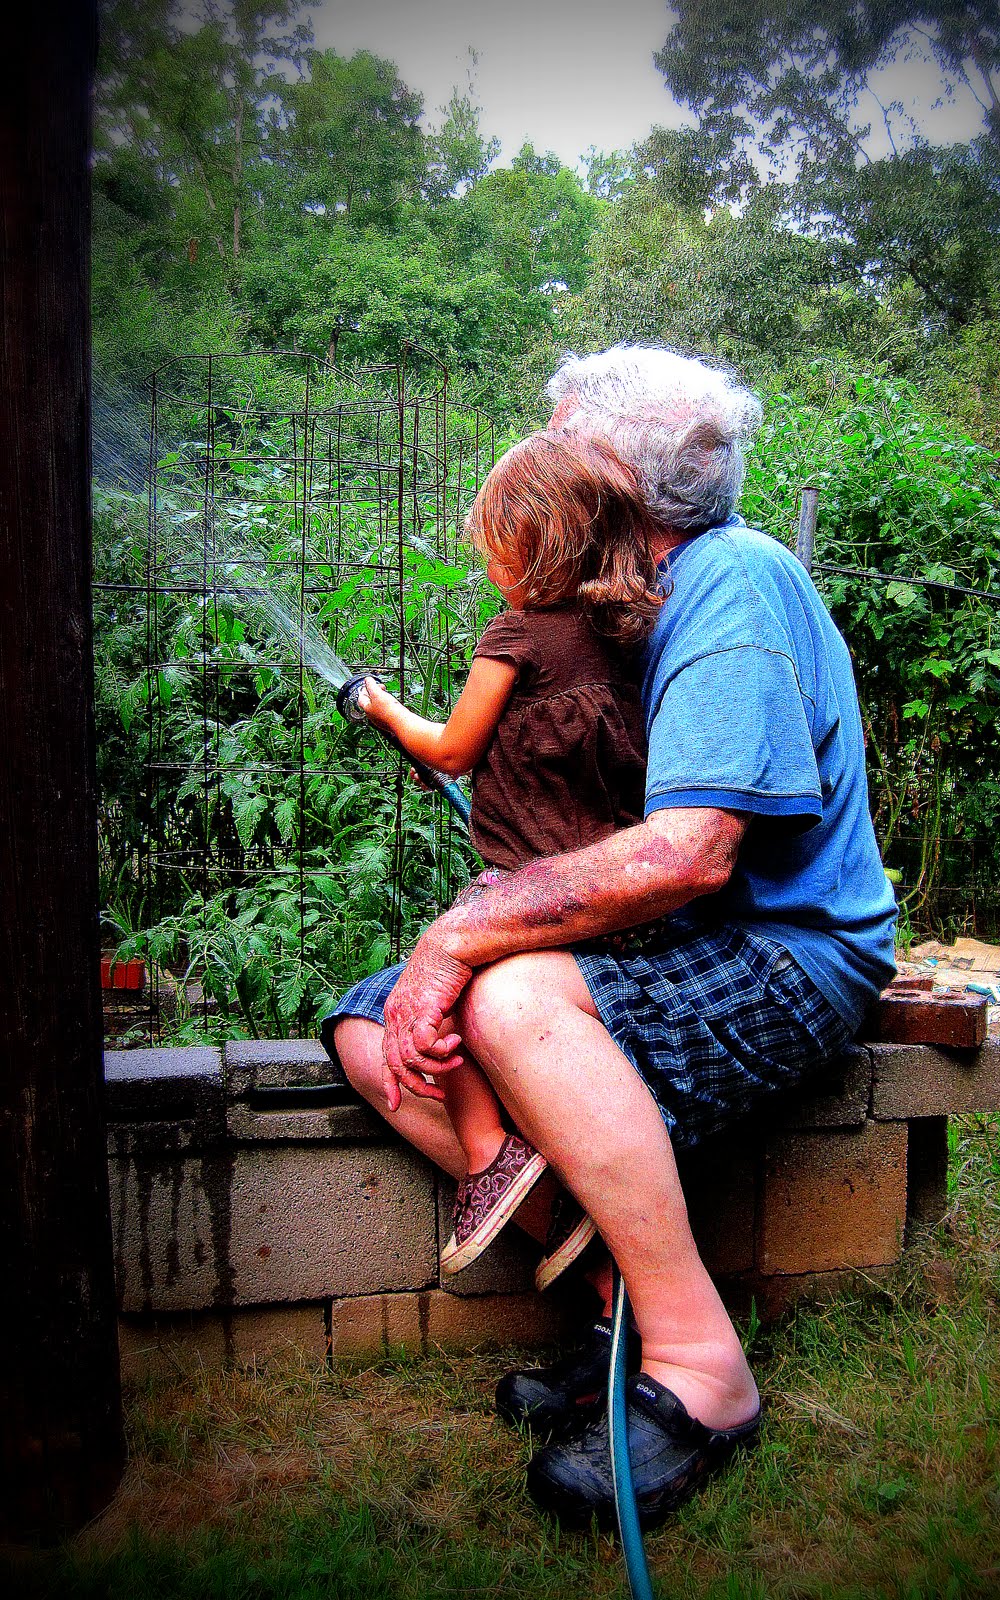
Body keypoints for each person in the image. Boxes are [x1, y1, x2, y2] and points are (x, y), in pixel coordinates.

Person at [321, 344, 897, 1527]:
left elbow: (689, 854)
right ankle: (615, 1307)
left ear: (612, 477)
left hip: (789, 950)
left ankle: (701, 1367)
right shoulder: (620, 603)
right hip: (689, 940)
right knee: (374, 1033)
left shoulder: (731, 579)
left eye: (558, 444)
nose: (537, 470)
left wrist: (462, 932)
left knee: (505, 997)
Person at [352, 430, 663, 1282]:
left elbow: (452, 750)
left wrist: (382, 710)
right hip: (611, 891)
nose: (490, 567)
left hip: (524, 883)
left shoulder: (515, 635)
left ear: (537, 543)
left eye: (497, 548)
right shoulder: (629, 637)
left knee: (446, 985)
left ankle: (489, 1153)